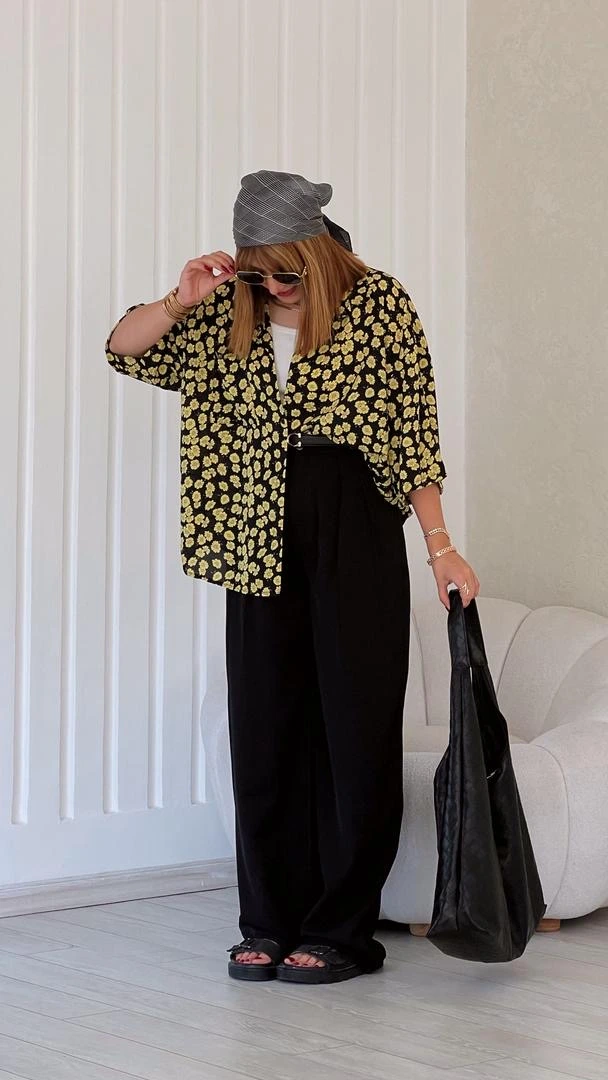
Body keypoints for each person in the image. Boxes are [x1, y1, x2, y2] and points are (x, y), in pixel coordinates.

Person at [105, 169, 480, 985]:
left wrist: (441, 547)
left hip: (352, 516)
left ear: (317, 250)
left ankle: (342, 930)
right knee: (265, 726)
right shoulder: (222, 311)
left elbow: (414, 432)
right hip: (252, 525)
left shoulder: (378, 304)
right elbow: (124, 347)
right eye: (258, 271)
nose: (273, 287)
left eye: (286, 271)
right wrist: (180, 297)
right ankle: (268, 922)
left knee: (356, 727)